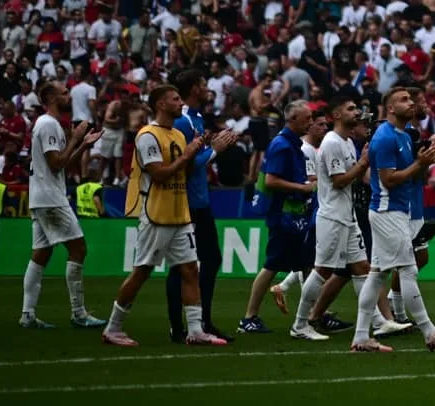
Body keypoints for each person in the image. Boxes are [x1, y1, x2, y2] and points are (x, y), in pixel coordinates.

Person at [101, 83, 229, 348]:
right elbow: (159, 174)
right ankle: (113, 328)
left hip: (180, 213)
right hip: (156, 214)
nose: (180, 102)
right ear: (160, 104)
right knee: (142, 272)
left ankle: (195, 331)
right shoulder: (148, 135)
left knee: (190, 270)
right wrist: (188, 155)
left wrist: (198, 152)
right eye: (175, 98)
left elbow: (185, 172)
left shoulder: (178, 135)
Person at [366, 86, 435, 351]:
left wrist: (429, 160)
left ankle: (362, 335)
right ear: (390, 108)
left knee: (377, 274)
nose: (412, 104)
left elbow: (412, 172)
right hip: (389, 210)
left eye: (412, 99)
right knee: (407, 269)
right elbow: (388, 179)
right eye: (405, 100)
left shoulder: (403, 136)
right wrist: (422, 163)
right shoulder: (386, 137)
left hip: (397, 209)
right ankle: (428, 331)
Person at [20, 80, 106, 330]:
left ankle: (28, 314)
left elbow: (62, 165)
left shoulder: (50, 124)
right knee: (78, 249)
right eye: (64, 93)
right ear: (51, 98)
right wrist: (76, 138)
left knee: (41, 253)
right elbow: (56, 162)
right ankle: (78, 313)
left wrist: (83, 144)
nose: (69, 96)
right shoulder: (47, 124)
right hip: (51, 198)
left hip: (41, 196)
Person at [298, 99, 372, 342]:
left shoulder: (348, 142)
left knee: (362, 267)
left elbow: (354, 177)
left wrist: (363, 163)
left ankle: (374, 322)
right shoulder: (331, 142)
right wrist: (363, 162)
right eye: (350, 109)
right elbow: (339, 181)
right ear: (337, 114)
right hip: (332, 216)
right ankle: (300, 324)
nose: (356, 112)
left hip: (348, 216)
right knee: (323, 270)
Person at [241, 102, 317, 333]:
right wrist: (302, 187)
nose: (311, 122)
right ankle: (249, 317)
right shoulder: (282, 145)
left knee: (308, 264)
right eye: (307, 118)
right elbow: (271, 180)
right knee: (272, 265)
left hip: (295, 215)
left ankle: (312, 315)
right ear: (292, 119)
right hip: (283, 215)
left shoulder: (292, 144)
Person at [167, 70, 229, 342]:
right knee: (182, 265)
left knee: (209, 259)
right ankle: (178, 326)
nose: (208, 88)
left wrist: (211, 148)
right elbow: (186, 166)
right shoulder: (183, 121)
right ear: (194, 88)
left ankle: (201, 321)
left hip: (200, 202)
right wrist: (215, 150)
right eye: (204, 84)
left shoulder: (197, 118)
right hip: (187, 203)